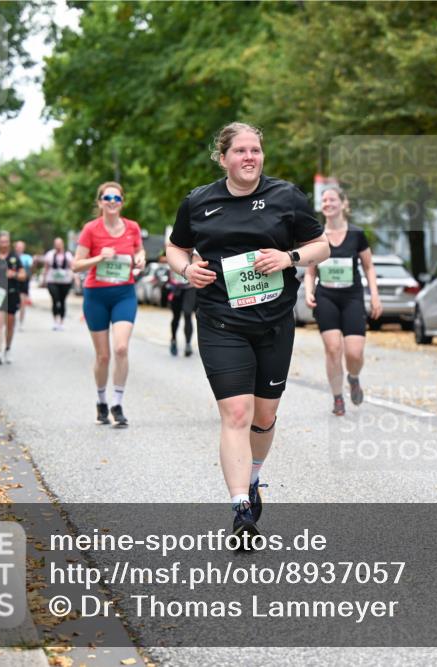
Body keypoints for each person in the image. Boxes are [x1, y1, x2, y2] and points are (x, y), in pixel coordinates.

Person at [166, 122, 329, 539]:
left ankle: (253, 478)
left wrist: (288, 256)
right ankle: (241, 508)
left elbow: (322, 246)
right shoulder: (199, 202)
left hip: (274, 323)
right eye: (239, 150)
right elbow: (175, 245)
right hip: (221, 320)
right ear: (223, 158)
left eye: (255, 149)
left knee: (264, 414)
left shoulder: (285, 196)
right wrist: (187, 269)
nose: (249, 157)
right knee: (236, 412)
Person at [71, 182, 146, 428]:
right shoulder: (90, 229)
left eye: (117, 197)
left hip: (124, 293)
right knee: (103, 356)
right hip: (96, 296)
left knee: (121, 348)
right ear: (100, 202)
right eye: (107, 197)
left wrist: (140, 260)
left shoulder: (132, 227)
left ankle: (117, 403)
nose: (112, 201)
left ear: (122, 201)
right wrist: (98, 258)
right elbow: (76, 265)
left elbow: (139, 253)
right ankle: (101, 400)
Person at [304, 186, 382, 416]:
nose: (327, 203)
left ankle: (354, 377)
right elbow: (310, 270)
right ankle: (338, 398)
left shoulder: (357, 234)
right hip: (326, 296)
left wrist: (375, 296)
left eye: (332, 199)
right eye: (324, 200)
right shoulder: (317, 236)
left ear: (343, 203)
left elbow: (368, 266)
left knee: (354, 354)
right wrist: (309, 291)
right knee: (333, 349)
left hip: (352, 297)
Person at [0, 231, 25, 365]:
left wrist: (14, 274)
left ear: (9, 243)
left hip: (12, 293)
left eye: (6, 242)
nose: (4, 244)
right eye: (2, 242)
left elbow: (23, 275)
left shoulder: (14, 258)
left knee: (10, 324)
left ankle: (7, 349)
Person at [165, 255, 197, 357]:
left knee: (188, 314)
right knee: (176, 317)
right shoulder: (175, 247)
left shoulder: (195, 251)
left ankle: (188, 344)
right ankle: (173, 339)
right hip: (176, 288)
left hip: (190, 288)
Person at [43, 237, 75, 330]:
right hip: (52, 281)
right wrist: (44, 279)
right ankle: (55, 321)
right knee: (55, 299)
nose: (58, 245)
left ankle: (61, 322)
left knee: (62, 301)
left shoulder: (68, 255)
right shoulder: (50, 254)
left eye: (59, 243)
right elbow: (46, 268)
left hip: (65, 281)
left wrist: (74, 277)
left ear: (62, 244)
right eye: (56, 243)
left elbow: (72, 267)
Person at [14, 240, 33, 330]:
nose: (19, 248)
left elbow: (31, 267)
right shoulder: (11, 257)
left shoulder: (27, 257)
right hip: (13, 282)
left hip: (23, 282)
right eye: (18, 247)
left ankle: (20, 323)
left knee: (22, 303)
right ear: (15, 247)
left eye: (21, 247)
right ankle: (12, 320)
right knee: (13, 303)